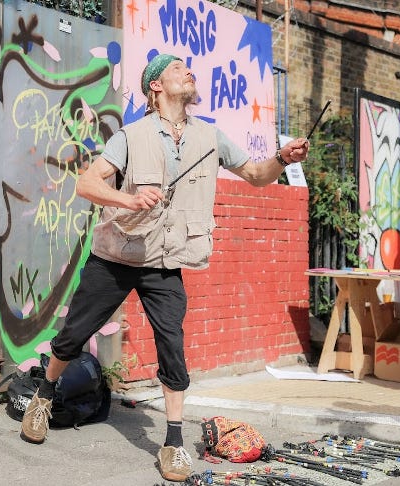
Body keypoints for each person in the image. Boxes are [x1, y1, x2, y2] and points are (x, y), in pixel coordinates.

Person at [19, 53, 310, 482]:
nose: (187, 72)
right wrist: (128, 199)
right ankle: (44, 395)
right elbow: (87, 182)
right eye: (177, 69)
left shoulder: (210, 136)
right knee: (72, 335)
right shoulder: (131, 135)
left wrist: (283, 159)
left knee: (173, 347)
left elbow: (255, 174)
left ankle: (172, 442)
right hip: (117, 256)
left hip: (165, 262)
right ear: (155, 86)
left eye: (187, 69)